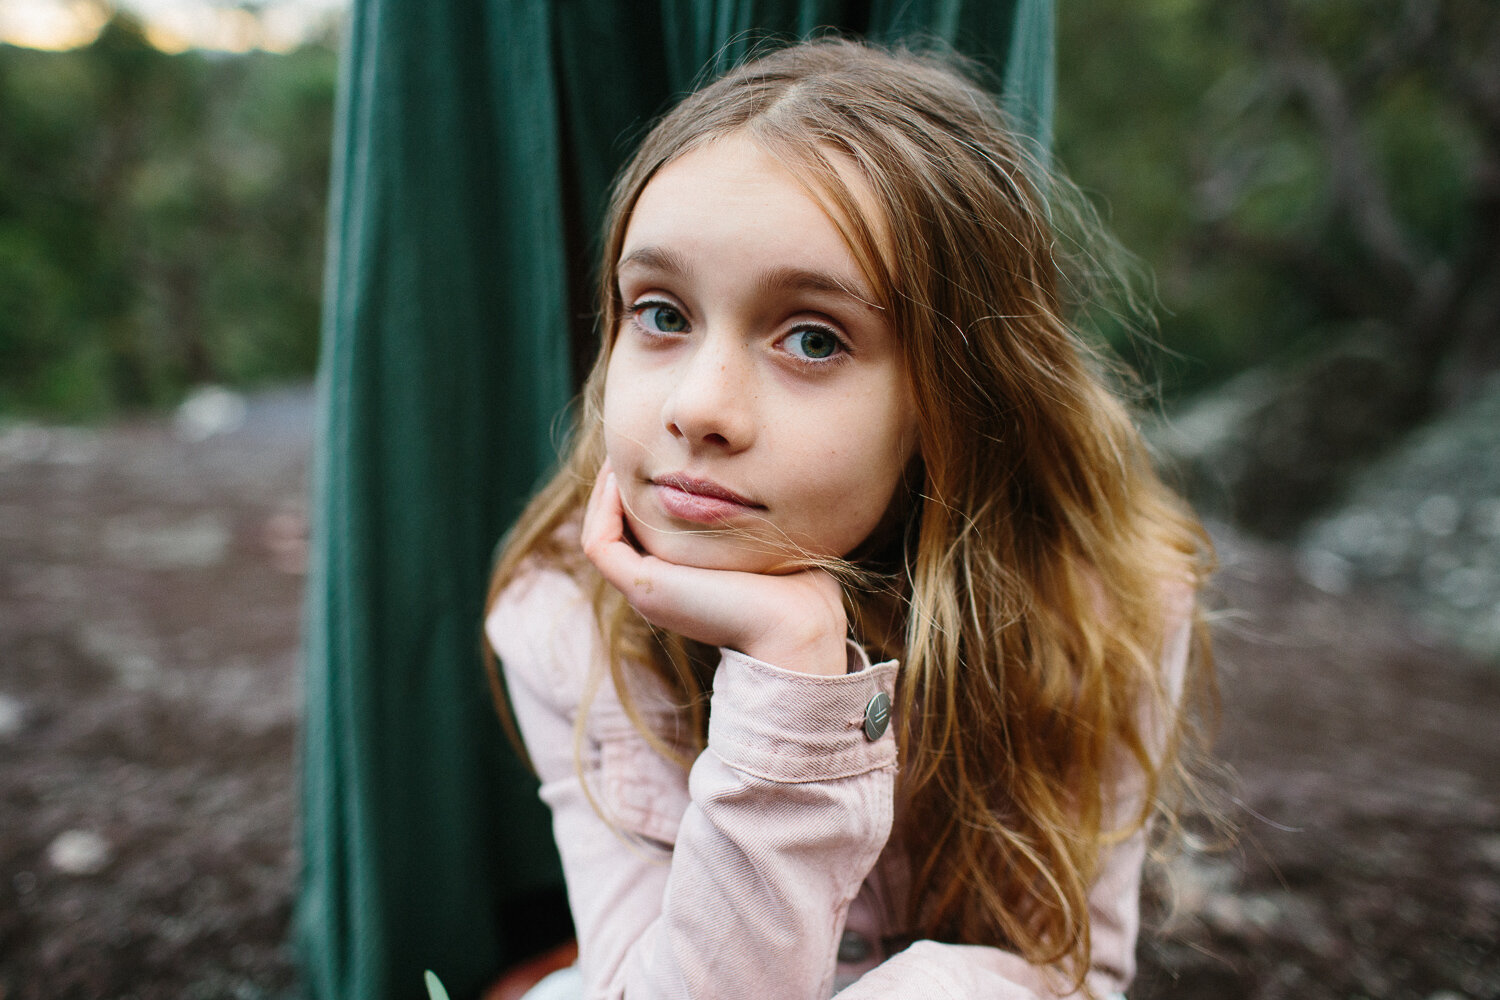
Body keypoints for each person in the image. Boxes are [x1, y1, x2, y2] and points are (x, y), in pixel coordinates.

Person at [483, 37, 1212, 1000]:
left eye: (813, 338)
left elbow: (1073, 974)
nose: (700, 406)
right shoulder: (566, 620)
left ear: (951, 400)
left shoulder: (1103, 609)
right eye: (660, 314)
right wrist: (791, 672)